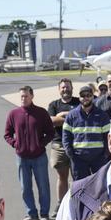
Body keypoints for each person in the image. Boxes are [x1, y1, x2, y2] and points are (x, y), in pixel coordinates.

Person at [3, 85, 55, 220]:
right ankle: (31, 214)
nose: (23, 98)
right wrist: (15, 144)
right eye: (21, 96)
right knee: (25, 187)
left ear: (32, 96)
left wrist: (40, 144)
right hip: (22, 157)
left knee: (43, 186)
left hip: (39, 156)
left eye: (26, 96)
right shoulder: (13, 114)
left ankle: (44, 214)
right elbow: (7, 134)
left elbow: (50, 132)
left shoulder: (41, 113)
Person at [64, 84, 111, 181]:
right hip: (78, 160)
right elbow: (66, 137)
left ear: (93, 97)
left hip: (99, 160)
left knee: (100, 187)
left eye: (88, 95)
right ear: (79, 97)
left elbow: (108, 137)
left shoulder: (102, 115)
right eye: (82, 95)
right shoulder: (71, 116)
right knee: (80, 189)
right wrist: (71, 155)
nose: (85, 98)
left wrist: (105, 155)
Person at [47, 79, 79, 212]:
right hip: (59, 145)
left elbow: (80, 118)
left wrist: (61, 116)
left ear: (72, 88)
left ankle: (77, 205)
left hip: (77, 144)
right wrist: (66, 117)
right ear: (59, 89)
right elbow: (51, 121)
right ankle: (61, 205)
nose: (65, 89)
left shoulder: (78, 102)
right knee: (62, 176)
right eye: (63, 87)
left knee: (78, 177)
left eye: (67, 87)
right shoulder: (54, 105)